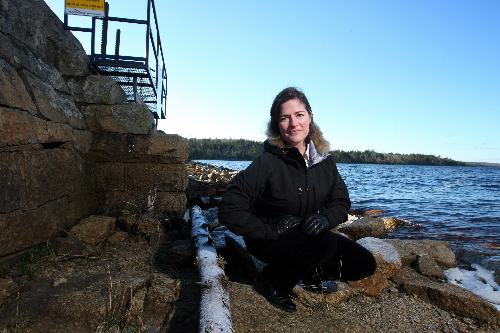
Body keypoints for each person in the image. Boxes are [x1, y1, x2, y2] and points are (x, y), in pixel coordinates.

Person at [218, 87, 377, 312]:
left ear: (310, 117)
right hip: (269, 240)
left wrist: (325, 219)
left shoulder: (324, 160)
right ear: (277, 124)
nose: (294, 124)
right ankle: (272, 281)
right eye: (285, 118)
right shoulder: (267, 162)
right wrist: (269, 229)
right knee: (325, 243)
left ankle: (308, 274)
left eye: (299, 115)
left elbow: (341, 202)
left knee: (364, 265)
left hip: (309, 238)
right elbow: (228, 209)